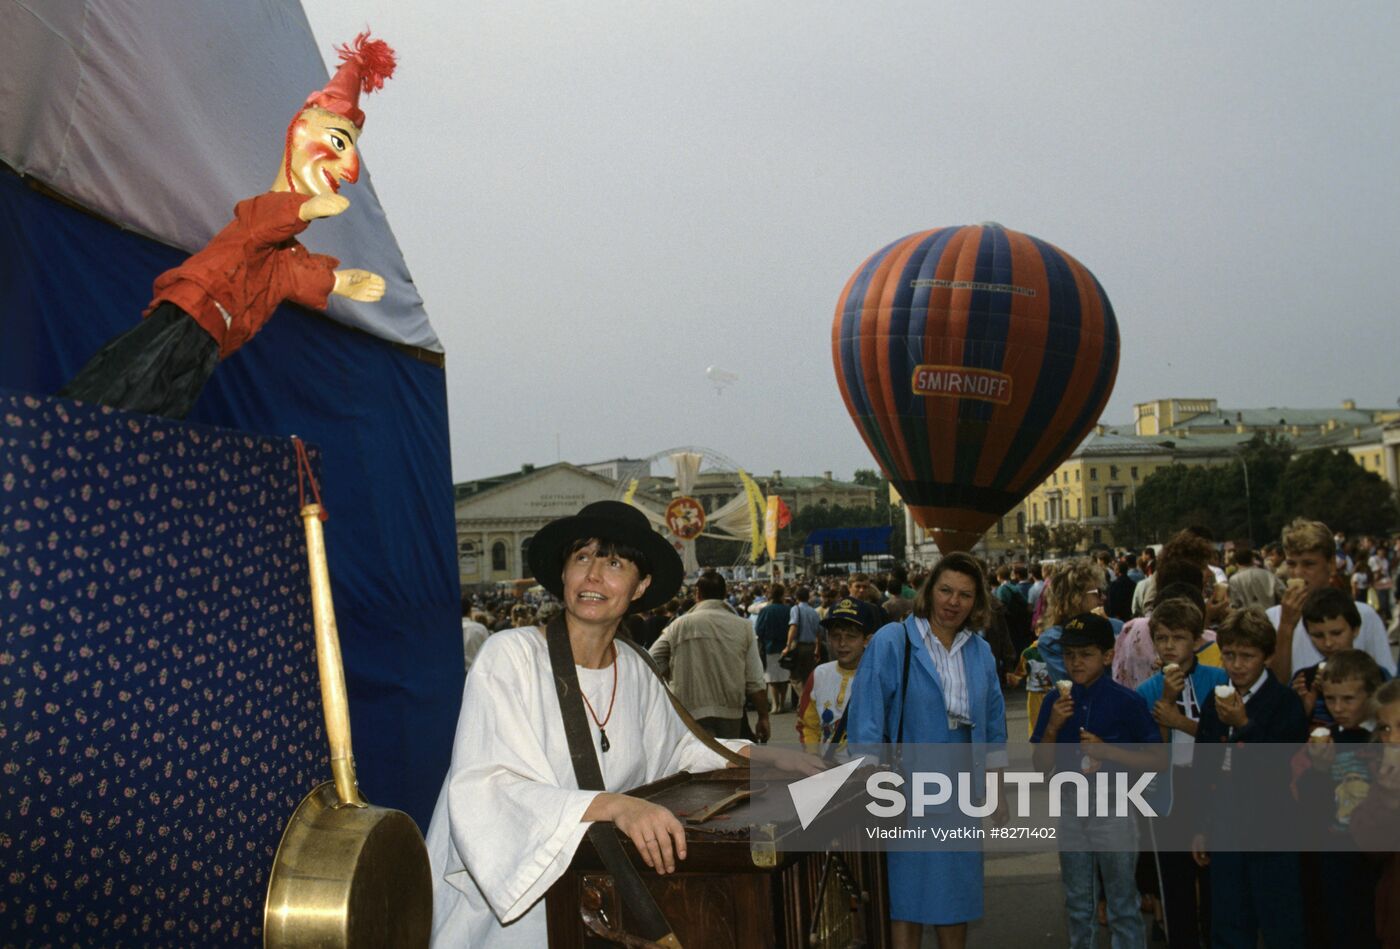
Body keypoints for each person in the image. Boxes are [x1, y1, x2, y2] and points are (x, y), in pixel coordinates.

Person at [424, 501, 807, 946]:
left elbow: (678, 749)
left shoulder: (637, 666)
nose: (592, 576)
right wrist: (615, 806)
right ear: (563, 575)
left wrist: (762, 755)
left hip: (599, 888)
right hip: (517, 903)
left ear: (640, 585)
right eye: (581, 558)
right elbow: (489, 785)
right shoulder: (510, 657)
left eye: (614, 563)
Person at [60, 33, 395, 419]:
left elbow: (289, 273)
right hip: (190, 313)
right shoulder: (261, 214)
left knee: (160, 412)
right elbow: (259, 228)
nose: (349, 170)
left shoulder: (282, 253)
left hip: (213, 339)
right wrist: (304, 209)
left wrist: (336, 282)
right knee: (121, 389)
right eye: (338, 143)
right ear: (303, 130)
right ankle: (65, 431)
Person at [845, 552, 1009, 949]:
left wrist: (997, 787)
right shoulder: (893, 640)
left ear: (977, 602)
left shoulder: (980, 652)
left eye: (965, 595)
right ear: (928, 591)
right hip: (905, 788)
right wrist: (870, 785)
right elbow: (867, 717)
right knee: (907, 897)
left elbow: (993, 723)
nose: (954, 602)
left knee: (956, 892)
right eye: (946, 590)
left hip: (961, 789)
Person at [1031, 612, 1164, 949]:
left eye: (1086, 654)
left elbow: (1157, 759)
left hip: (1115, 805)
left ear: (1107, 656)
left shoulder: (1127, 701)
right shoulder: (1055, 701)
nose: (1076, 662)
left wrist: (1110, 752)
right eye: (1069, 654)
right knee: (1079, 902)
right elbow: (1041, 765)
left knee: (1122, 902)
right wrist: (1051, 729)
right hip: (1071, 807)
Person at [1191, 607, 1309, 949]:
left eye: (1247, 656)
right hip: (1225, 823)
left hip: (1272, 826)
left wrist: (1245, 725)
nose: (1237, 664)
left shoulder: (1284, 702)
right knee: (1228, 919)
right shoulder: (1215, 702)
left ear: (1267, 656)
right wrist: (1200, 826)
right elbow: (1203, 767)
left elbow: (1281, 766)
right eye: (1229, 655)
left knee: (1280, 921)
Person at [1136, 597, 1228, 949]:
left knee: (1215, 881)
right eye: (1161, 638)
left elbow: (1223, 738)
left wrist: (1181, 722)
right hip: (1168, 793)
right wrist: (1167, 702)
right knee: (1174, 882)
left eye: (1178, 637)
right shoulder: (1146, 691)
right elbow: (1153, 752)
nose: (1169, 645)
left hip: (1210, 787)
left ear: (1195, 640)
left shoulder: (1217, 679)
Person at [1297, 650, 1386, 948]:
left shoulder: (1383, 741)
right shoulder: (1323, 740)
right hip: (1332, 860)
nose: (1338, 708)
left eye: (1348, 699)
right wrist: (1319, 770)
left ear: (1372, 695)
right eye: (1331, 699)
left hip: (1374, 862)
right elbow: (1306, 805)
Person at [1267, 519, 1395, 681]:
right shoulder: (1273, 617)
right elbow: (1275, 686)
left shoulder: (1363, 614)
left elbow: (1386, 682)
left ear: (1331, 564)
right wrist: (1286, 626)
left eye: (1309, 564)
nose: (1298, 573)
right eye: (1291, 564)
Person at [650, 570, 770, 740]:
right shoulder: (743, 626)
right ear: (725, 593)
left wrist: (673, 674)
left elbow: (651, 660)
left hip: (689, 710)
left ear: (697, 594)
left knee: (697, 764)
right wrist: (763, 717)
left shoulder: (679, 625)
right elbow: (755, 680)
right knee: (727, 762)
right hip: (730, 712)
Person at [795, 596, 876, 751]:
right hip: (826, 768)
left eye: (851, 637)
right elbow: (807, 725)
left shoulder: (878, 678)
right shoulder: (819, 674)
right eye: (835, 636)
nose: (842, 643)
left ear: (867, 640)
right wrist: (813, 758)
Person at [754, 582, 793, 711]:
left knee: (771, 678)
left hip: (770, 646)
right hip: (785, 646)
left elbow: (759, 629)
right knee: (784, 676)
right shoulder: (788, 609)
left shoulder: (765, 610)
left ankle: (775, 704)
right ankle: (782, 703)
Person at [780, 585, 823, 691]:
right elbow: (819, 632)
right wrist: (818, 648)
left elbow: (793, 627)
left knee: (795, 677)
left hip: (798, 645)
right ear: (808, 597)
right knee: (807, 676)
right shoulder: (814, 612)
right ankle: (806, 702)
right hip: (811, 646)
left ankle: (802, 699)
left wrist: (788, 646)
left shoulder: (795, 609)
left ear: (796, 597)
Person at [461, 600, 490, 674]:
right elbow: (488, 653)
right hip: (476, 673)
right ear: (470, 611)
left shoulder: (448, 630)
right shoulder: (480, 628)